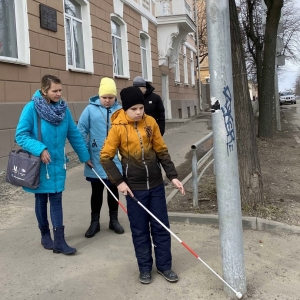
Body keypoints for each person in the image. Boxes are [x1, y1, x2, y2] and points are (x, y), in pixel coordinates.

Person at [100, 87, 185, 284]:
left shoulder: (151, 123)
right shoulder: (118, 128)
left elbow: (162, 151)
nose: (139, 112)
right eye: (134, 109)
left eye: (141, 108)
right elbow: (105, 158)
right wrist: (119, 182)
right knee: (140, 230)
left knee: (161, 227)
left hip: (156, 186)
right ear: (125, 109)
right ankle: (145, 268)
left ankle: (165, 266)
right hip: (134, 190)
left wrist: (172, 176)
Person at [15, 75, 91, 255]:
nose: (58, 94)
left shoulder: (63, 110)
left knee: (56, 200)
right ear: (44, 91)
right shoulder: (32, 108)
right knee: (41, 200)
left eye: (60, 90)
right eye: (54, 91)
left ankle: (59, 241)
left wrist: (85, 156)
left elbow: (73, 135)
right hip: (39, 165)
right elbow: (21, 135)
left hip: (57, 165)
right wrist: (40, 149)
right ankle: (45, 235)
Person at [77, 77, 124, 238]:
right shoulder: (90, 110)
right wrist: (84, 154)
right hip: (95, 158)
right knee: (96, 191)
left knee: (113, 190)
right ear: (99, 95)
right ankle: (94, 222)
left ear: (115, 97)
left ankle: (114, 220)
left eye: (110, 98)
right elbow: (81, 131)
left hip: (114, 158)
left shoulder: (121, 111)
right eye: (104, 97)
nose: (107, 101)